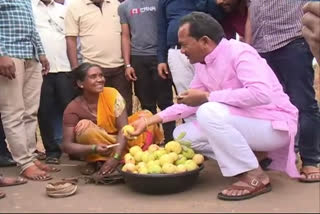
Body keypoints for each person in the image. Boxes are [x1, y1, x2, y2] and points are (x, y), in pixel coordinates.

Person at [129, 12, 299, 201]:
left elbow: (261, 94)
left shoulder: (240, 52)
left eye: (184, 44)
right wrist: (149, 121)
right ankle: (254, 156)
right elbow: (188, 102)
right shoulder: (202, 64)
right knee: (182, 136)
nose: (181, 51)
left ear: (204, 41)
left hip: (273, 126)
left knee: (208, 111)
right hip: (248, 124)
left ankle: (254, 176)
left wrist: (208, 97)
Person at [248, 0, 320, 183]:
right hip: (261, 48)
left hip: (293, 42)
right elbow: (250, 13)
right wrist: (248, 47)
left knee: (303, 103)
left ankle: (310, 160)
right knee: (268, 108)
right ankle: (280, 155)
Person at [62, 63, 163, 175]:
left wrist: (115, 157)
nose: (100, 79)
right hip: (100, 145)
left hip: (122, 139)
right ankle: (97, 159)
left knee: (146, 116)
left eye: (101, 75)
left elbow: (124, 130)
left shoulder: (112, 94)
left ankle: (116, 158)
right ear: (80, 83)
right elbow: (67, 146)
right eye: (93, 77)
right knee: (84, 127)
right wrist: (94, 148)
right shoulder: (73, 108)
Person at [0, 0, 57, 181]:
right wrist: (1, 54)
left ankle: (30, 157)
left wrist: (41, 53)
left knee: (30, 112)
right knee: (13, 112)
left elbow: (32, 27)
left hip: (30, 56)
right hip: (10, 55)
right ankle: (24, 163)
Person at [118, 0, 175, 142]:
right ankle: (152, 140)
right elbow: (125, 35)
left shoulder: (159, 2)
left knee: (165, 101)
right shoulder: (124, 6)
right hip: (138, 58)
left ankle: (170, 140)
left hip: (159, 56)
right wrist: (127, 64)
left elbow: (166, 26)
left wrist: (164, 56)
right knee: (146, 103)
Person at [65, 0, 132, 115]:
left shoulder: (116, 4)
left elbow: (125, 35)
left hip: (120, 69)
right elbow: (71, 40)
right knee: (98, 113)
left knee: (124, 109)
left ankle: (124, 133)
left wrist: (127, 65)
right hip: (93, 71)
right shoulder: (74, 7)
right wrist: (76, 69)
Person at [32, 0, 75, 165]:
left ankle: (74, 149)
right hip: (41, 69)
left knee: (70, 111)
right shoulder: (30, 8)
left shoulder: (64, 10)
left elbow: (72, 38)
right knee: (45, 111)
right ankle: (52, 151)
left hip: (65, 67)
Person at [157, 0, 224, 96]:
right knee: (185, 94)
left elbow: (218, 15)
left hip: (204, 50)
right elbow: (161, 29)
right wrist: (161, 59)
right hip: (177, 51)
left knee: (213, 89)